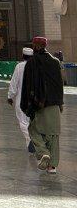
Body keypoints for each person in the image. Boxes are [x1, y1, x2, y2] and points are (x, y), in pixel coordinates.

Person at [20, 35, 64, 174]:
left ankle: (43, 152)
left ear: (34, 46)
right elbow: (60, 83)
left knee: (34, 129)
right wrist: (60, 102)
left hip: (40, 103)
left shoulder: (32, 62)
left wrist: (28, 104)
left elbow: (28, 85)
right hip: (55, 102)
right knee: (53, 134)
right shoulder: (55, 61)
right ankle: (52, 166)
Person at [8, 47, 35, 152]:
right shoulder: (36, 66)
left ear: (23, 56)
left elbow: (14, 82)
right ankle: (33, 142)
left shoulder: (19, 67)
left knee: (23, 122)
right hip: (35, 99)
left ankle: (30, 139)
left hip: (22, 98)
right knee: (33, 122)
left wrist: (10, 96)